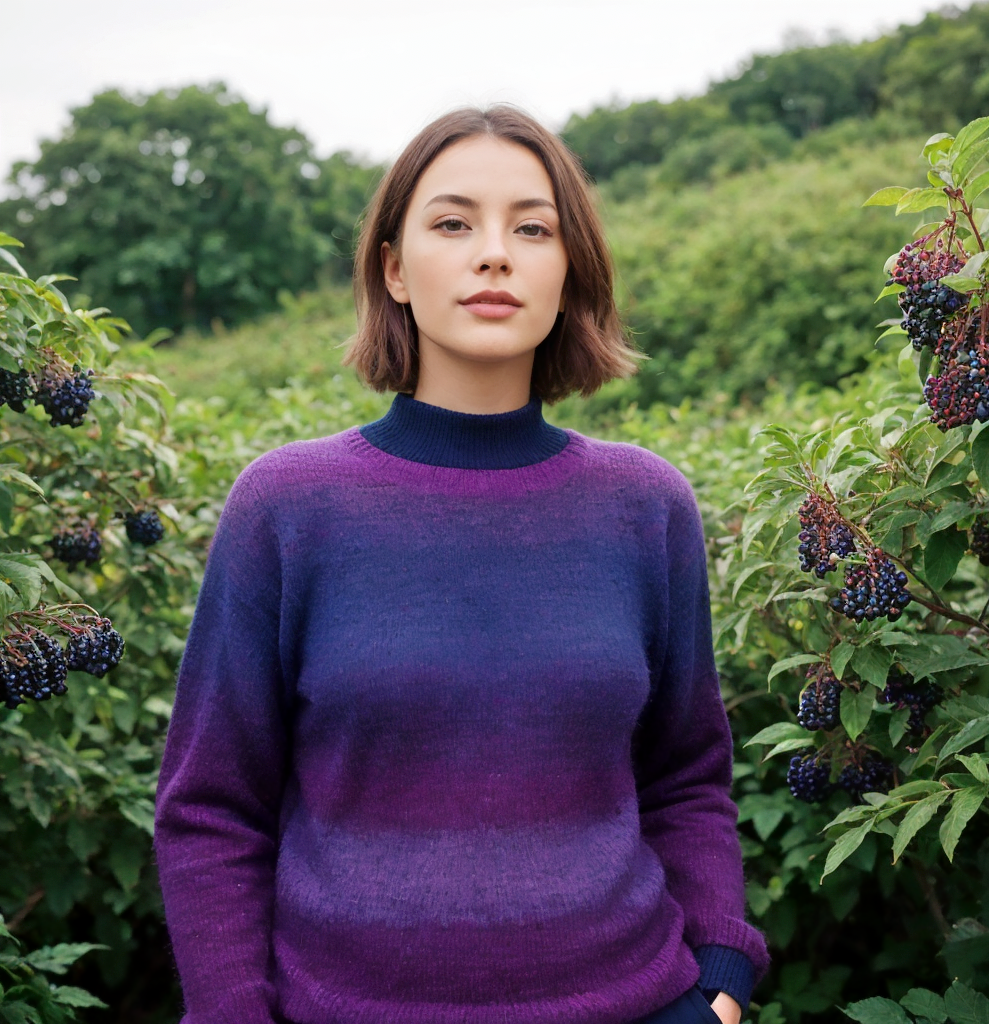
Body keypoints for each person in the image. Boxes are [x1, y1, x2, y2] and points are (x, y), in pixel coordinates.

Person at [153, 104, 769, 1024]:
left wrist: (719, 978)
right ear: (394, 269)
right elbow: (209, 812)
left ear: (570, 270)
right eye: (453, 223)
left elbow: (686, 776)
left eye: (533, 227)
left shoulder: (646, 506)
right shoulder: (286, 506)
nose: (495, 254)